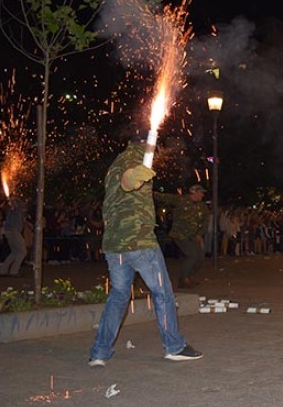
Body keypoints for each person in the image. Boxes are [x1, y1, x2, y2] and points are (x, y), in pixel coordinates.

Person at [88, 140, 202, 367]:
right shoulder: (136, 158)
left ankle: (99, 352)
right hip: (139, 241)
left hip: (114, 244)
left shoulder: (115, 163)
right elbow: (128, 180)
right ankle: (174, 346)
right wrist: (135, 177)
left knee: (119, 296)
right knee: (162, 293)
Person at [154, 184, 210, 289]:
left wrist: (200, 234)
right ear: (195, 192)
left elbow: (205, 221)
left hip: (193, 236)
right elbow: (166, 197)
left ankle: (189, 276)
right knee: (192, 255)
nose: (202, 195)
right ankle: (183, 279)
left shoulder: (202, 206)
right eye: (201, 192)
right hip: (180, 234)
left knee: (200, 257)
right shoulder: (181, 200)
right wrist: (151, 193)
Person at [0, 197, 27, 277]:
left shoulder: (10, 211)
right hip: (14, 232)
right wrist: (15, 197)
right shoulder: (16, 210)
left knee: (15, 252)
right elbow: (21, 204)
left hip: (10, 232)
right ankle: (14, 271)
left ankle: (3, 270)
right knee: (22, 252)